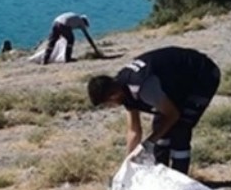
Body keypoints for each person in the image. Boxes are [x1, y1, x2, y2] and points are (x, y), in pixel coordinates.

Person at [86, 46, 221, 174]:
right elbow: (134, 130)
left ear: (113, 96)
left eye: (107, 104)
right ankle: (161, 175)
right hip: (176, 85)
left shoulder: (142, 87)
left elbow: (173, 115)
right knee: (160, 128)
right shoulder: (122, 89)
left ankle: (179, 179)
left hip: (202, 76)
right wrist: (128, 162)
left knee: (181, 128)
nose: (109, 107)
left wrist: (149, 142)